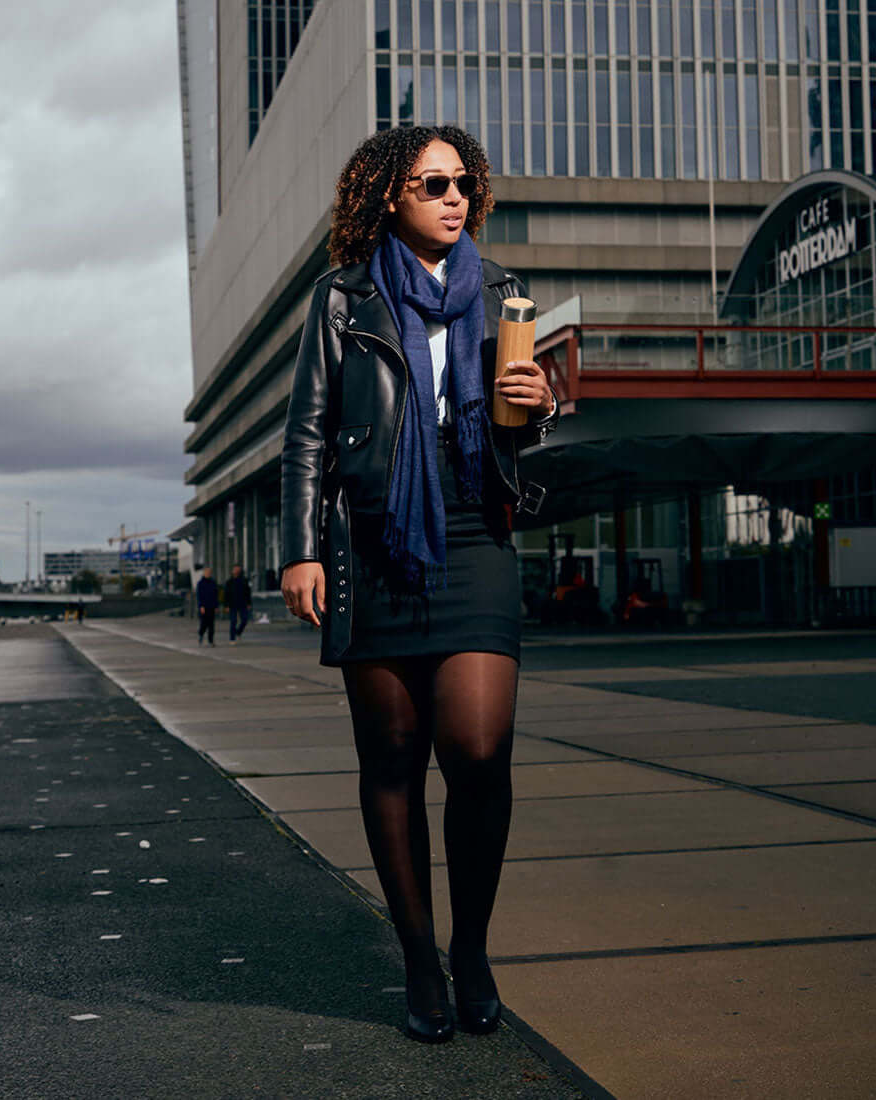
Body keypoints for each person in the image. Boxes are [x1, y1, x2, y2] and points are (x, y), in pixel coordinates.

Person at [280, 125, 558, 1044]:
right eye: (432, 182)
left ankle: (470, 948)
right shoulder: (342, 298)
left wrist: (541, 408)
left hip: (475, 519)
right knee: (392, 758)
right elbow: (309, 435)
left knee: (478, 749)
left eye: (464, 183)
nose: (454, 198)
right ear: (389, 197)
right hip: (375, 533)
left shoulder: (505, 293)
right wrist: (302, 548)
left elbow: (514, 424)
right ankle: (419, 963)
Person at [224, 564, 252, 644]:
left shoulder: (244, 580)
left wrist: (249, 603)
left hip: (242, 603)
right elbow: (226, 594)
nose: (236, 571)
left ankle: (238, 632)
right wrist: (226, 605)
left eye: (238, 569)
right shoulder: (229, 582)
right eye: (235, 569)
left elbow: (248, 593)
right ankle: (232, 638)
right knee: (233, 621)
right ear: (232, 571)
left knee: (244, 620)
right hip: (232, 604)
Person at [196, 566, 219, 646]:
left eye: (209, 572)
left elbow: (216, 595)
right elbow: (199, 596)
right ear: (204, 573)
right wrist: (201, 606)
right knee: (204, 623)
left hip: (212, 606)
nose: (208, 574)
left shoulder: (213, 583)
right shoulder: (200, 583)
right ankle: (201, 634)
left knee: (211, 625)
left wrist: (216, 606)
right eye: (207, 572)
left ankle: (211, 640)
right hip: (204, 607)